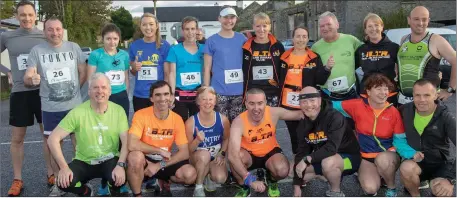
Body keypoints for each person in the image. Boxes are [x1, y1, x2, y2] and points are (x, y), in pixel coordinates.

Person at [24, 16, 86, 196]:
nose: (55, 33)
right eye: (50, 29)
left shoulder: (73, 47)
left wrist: (73, 91)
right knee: (52, 144)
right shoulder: (37, 51)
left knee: (78, 142)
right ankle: (58, 181)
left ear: (62, 30)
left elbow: (82, 72)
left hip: (74, 105)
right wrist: (31, 79)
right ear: (44, 32)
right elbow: (29, 75)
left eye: (58, 29)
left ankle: (78, 176)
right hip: (51, 107)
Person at [46, 73, 128, 196]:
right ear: (89, 91)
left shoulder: (118, 110)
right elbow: (52, 139)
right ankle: (85, 192)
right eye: (95, 87)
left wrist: (120, 165)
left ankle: (113, 189)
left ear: (110, 92)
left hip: (109, 159)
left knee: (119, 177)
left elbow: (126, 141)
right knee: (64, 182)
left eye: (104, 87)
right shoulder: (77, 112)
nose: (100, 91)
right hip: (84, 161)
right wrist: (63, 167)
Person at [0, 1, 50, 196]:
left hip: (43, 93)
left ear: (35, 15)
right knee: (17, 139)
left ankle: (51, 174)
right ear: (17, 16)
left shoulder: (44, 35)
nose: (27, 18)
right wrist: (7, 72)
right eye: (23, 15)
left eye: (30, 14)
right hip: (20, 93)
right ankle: (17, 179)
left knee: (47, 136)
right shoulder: (7, 36)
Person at [333, 74, 407, 196]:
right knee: (370, 189)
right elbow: (333, 105)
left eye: (386, 89)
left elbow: (400, 139)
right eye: (378, 89)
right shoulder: (357, 105)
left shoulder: (393, 112)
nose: (383, 92)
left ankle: (391, 187)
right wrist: (310, 104)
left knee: (383, 160)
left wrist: (410, 155)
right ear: (368, 91)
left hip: (387, 156)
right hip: (366, 157)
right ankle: (376, 174)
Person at [228, 88, 303, 197]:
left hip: (270, 152)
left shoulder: (273, 112)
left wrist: (319, 108)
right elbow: (232, 155)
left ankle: (271, 179)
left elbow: (298, 115)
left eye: (260, 103)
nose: (256, 108)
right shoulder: (238, 122)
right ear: (246, 104)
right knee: (235, 160)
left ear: (265, 103)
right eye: (252, 103)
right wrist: (249, 179)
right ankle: (245, 187)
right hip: (249, 155)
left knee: (282, 170)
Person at [127, 81, 197, 197]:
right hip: (145, 160)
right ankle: (137, 195)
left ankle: (164, 180)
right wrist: (158, 150)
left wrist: (160, 165)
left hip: (165, 160)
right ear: (151, 98)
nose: (162, 98)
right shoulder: (141, 115)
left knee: (190, 175)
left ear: (171, 97)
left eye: (166, 94)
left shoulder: (177, 119)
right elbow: (132, 144)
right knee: (135, 157)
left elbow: (184, 153)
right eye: (158, 95)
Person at [294, 86, 361, 197]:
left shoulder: (335, 117)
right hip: (323, 157)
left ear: (320, 100)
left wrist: (307, 160)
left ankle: (335, 191)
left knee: (328, 163)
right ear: (299, 104)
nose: (309, 105)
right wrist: (297, 186)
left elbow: (331, 148)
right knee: (294, 170)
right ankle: (326, 175)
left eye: (312, 101)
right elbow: (302, 152)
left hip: (349, 160)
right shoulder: (303, 124)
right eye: (304, 102)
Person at [278, 26, 332, 158]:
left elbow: (320, 80)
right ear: (293, 38)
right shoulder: (284, 57)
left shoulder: (313, 57)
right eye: (298, 36)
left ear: (308, 39)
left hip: (307, 103)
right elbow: (277, 77)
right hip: (288, 103)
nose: (301, 40)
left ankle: (310, 160)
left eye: (304, 37)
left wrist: (327, 68)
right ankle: (297, 159)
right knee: (294, 134)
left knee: (309, 133)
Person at [396, 79, 456, 197]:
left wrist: (451, 179)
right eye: (417, 95)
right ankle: (415, 194)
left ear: (435, 95)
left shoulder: (445, 116)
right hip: (416, 161)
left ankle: (438, 181)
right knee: (406, 168)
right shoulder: (404, 111)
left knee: (441, 192)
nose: (422, 100)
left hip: (439, 163)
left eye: (427, 95)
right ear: (412, 95)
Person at [397, 6, 456, 105]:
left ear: (428, 20)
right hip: (403, 101)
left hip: (428, 103)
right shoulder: (404, 39)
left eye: (424, 19)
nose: (420, 23)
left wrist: (450, 90)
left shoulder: (436, 40)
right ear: (409, 20)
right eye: (416, 19)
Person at [203, 6, 247, 122]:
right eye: (225, 17)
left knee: (237, 128)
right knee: (222, 127)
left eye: (232, 17)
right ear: (219, 19)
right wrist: (206, 89)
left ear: (236, 19)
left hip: (239, 92)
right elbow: (207, 67)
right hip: (219, 92)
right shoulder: (211, 40)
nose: (229, 21)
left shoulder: (242, 38)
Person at [185, 86, 230, 197]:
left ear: (215, 101)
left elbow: (226, 139)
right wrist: (197, 140)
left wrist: (222, 153)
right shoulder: (191, 122)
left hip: (215, 157)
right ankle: (198, 187)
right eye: (204, 99)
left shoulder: (223, 119)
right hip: (197, 157)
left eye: (210, 99)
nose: (207, 102)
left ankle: (208, 176)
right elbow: (188, 150)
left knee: (220, 178)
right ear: (198, 102)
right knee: (204, 155)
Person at [311, 11, 363, 101]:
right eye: (322, 26)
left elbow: (367, 51)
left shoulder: (351, 40)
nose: (325, 28)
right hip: (327, 96)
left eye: (328, 24)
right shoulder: (315, 48)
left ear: (337, 25)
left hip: (351, 94)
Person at [129, 13, 171, 112]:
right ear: (140, 27)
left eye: (151, 24)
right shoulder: (134, 45)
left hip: (158, 95)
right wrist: (134, 68)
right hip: (140, 95)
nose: (148, 28)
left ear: (157, 26)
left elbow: (167, 73)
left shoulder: (164, 45)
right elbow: (133, 72)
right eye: (144, 24)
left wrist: (167, 94)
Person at [355, 13, 399, 105]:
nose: (373, 29)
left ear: (382, 27)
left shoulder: (393, 48)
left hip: (388, 94)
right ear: (366, 30)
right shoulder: (361, 50)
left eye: (376, 25)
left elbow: (404, 67)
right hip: (367, 94)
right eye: (370, 26)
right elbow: (350, 68)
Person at [166, 16, 205, 121]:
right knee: (180, 124)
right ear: (182, 31)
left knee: (197, 124)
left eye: (193, 29)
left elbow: (207, 71)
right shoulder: (174, 50)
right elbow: (172, 73)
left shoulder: (204, 49)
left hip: (198, 93)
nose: (190, 32)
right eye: (187, 29)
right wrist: (171, 94)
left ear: (197, 30)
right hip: (180, 94)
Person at [242, 12, 284, 107]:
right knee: (253, 120)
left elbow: (283, 68)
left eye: (264, 26)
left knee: (270, 120)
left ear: (269, 26)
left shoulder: (278, 45)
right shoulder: (246, 46)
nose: (261, 29)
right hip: (252, 91)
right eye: (258, 26)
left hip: (272, 91)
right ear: (253, 27)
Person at [87, 23, 130, 117]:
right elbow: (90, 78)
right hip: (102, 95)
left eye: (115, 39)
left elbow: (126, 76)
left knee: (122, 124)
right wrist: (94, 96)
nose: (112, 42)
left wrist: (126, 93)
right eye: (108, 39)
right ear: (103, 39)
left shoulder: (124, 55)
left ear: (119, 39)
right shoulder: (95, 55)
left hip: (121, 95)